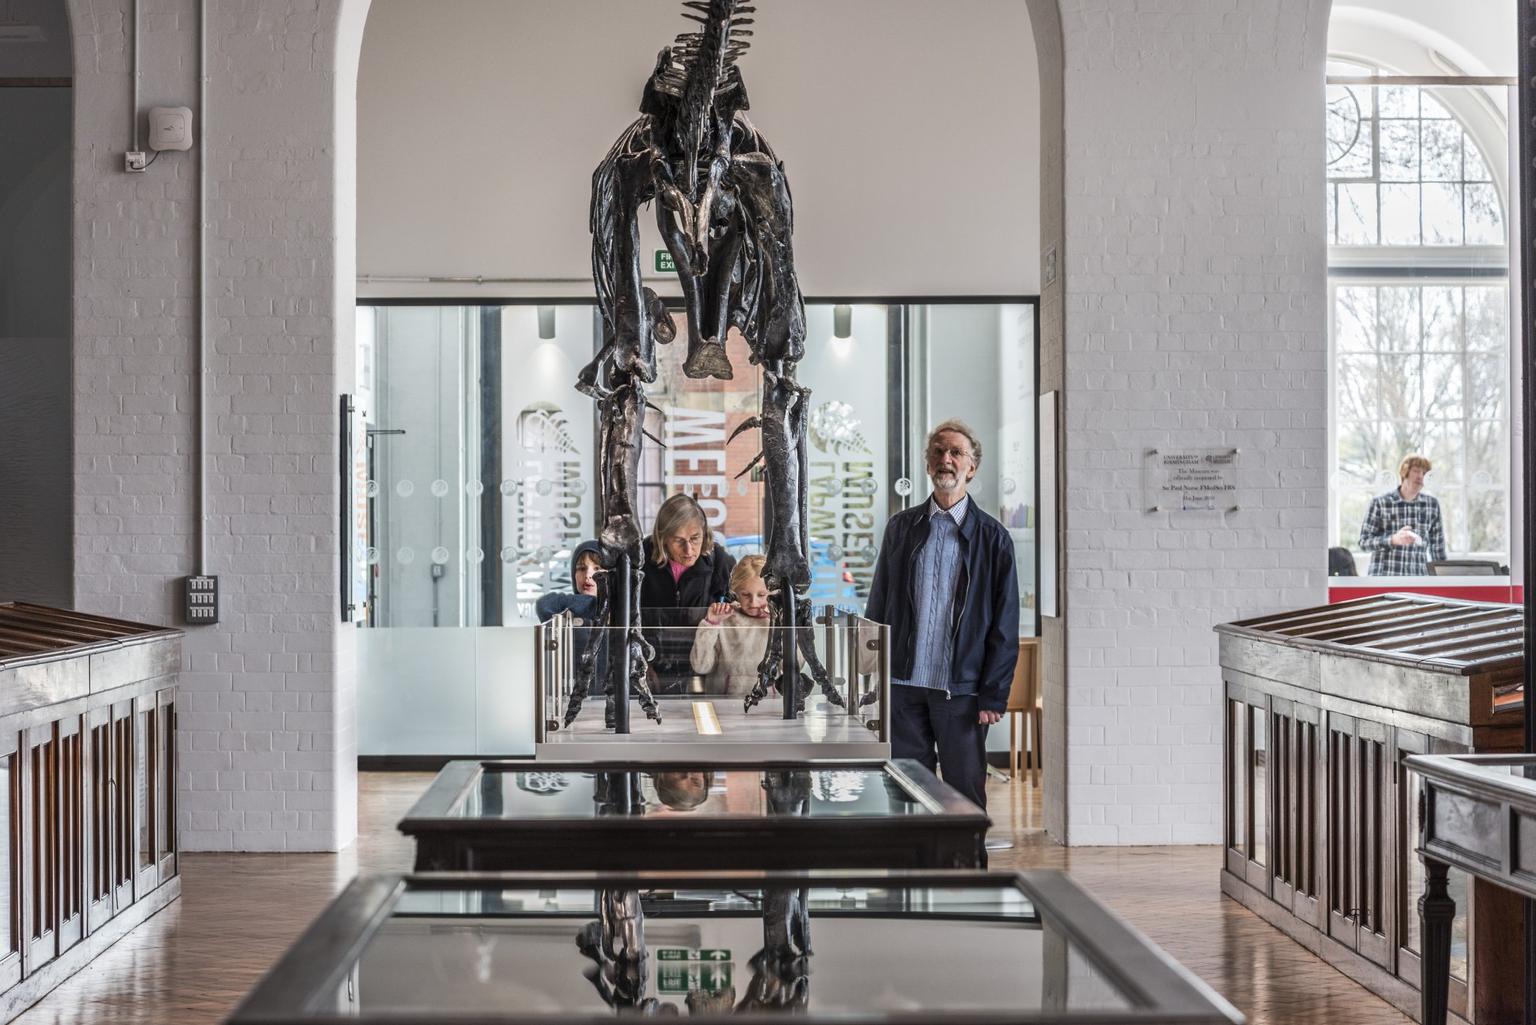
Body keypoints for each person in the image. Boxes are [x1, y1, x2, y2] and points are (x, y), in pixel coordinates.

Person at [865, 419, 1019, 810]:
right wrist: (872, 677)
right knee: (904, 793)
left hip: (962, 693)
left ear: (972, 467)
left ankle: (965, 872)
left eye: (955, 453)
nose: (945, 459)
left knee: (964, 796)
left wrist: (993, 694)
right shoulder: (901, 528)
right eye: (937, 451)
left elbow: (1004, 624)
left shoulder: (993, 538)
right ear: (927, 463)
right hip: (903, 687)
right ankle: (913, 872)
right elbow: (879, 604)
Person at [639, 493, 737, 693]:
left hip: (704, 669)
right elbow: (628, 619)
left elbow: (735, 621)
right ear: (663, 538)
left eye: (695, 538)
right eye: (678, 540)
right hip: (652, 669)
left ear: (704, 533)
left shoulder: (721, 562)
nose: (689, 549)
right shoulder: (640, 560)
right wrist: (640, 663)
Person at [690, 555, 774, 695]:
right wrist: (711, 624)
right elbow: (701, 666)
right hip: (725, 707)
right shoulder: (723, 619)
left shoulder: (778, 621)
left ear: (773, 592)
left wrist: (780, 623)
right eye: (746, 594)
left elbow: (795, 666)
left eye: (761, 595)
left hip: (769, 707)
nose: (753, 603)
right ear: (735, 592)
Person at [1359, 454, 1447, 576]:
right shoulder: (1380, 503)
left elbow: (1438, 549)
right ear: (1404, 472)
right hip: (1383, 578)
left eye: (1424, 472)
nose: (1420, 476)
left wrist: (1444, 580)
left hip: (1418, 580)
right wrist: (1393, 540)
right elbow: (1364, 542)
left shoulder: (1432, 505)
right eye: (1416, 471)